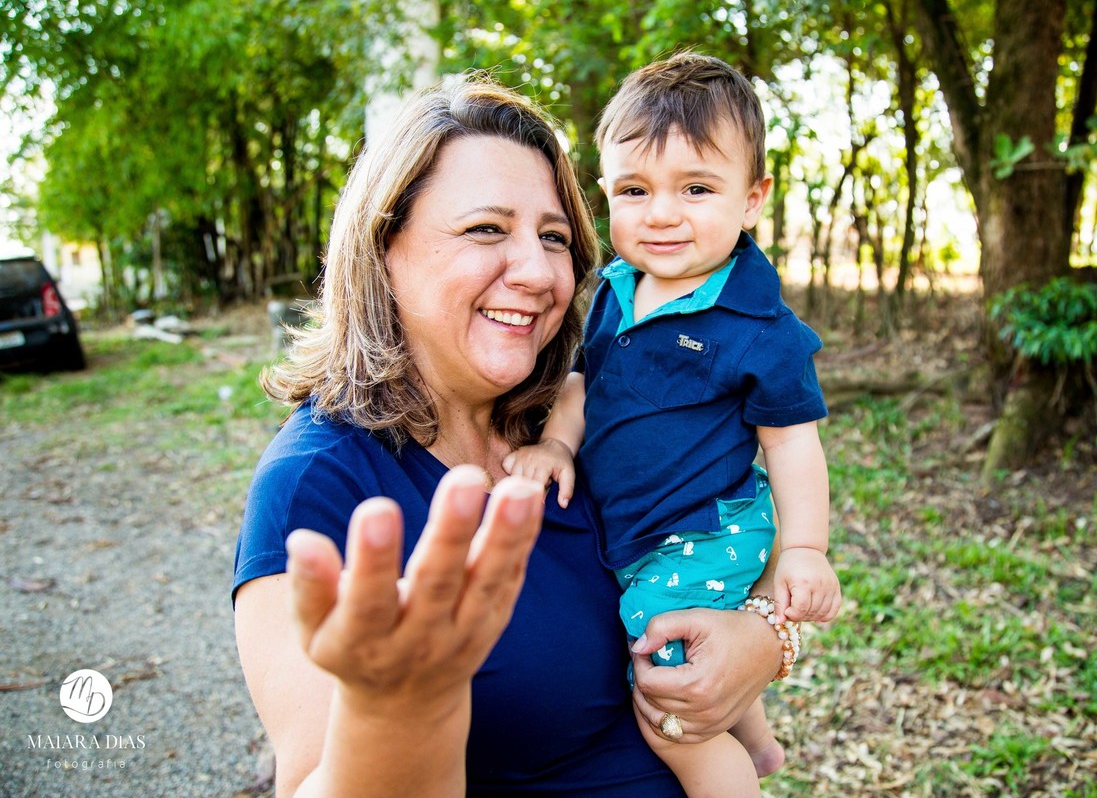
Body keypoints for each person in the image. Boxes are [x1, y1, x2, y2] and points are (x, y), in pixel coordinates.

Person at [232, 73, 795, 798]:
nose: (535, 271)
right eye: (486, 229)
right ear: (384, 249)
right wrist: (399, 708)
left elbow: (748, 523)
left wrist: (764, 639)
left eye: (554, 237)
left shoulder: (577, 422)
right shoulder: (317, 483)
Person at [504, 53, 843, 797]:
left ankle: (728, 775)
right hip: (639, 525)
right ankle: (754, 740)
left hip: (705, 528)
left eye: (696, 188)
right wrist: (558, 442)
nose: (661, 213)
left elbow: (792, 443)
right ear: (604, 195)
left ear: (752, 198)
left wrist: (807, 550)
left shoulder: (759, 325)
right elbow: (582, 384)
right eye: (635, 189)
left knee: (668, 704)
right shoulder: (616, 292)